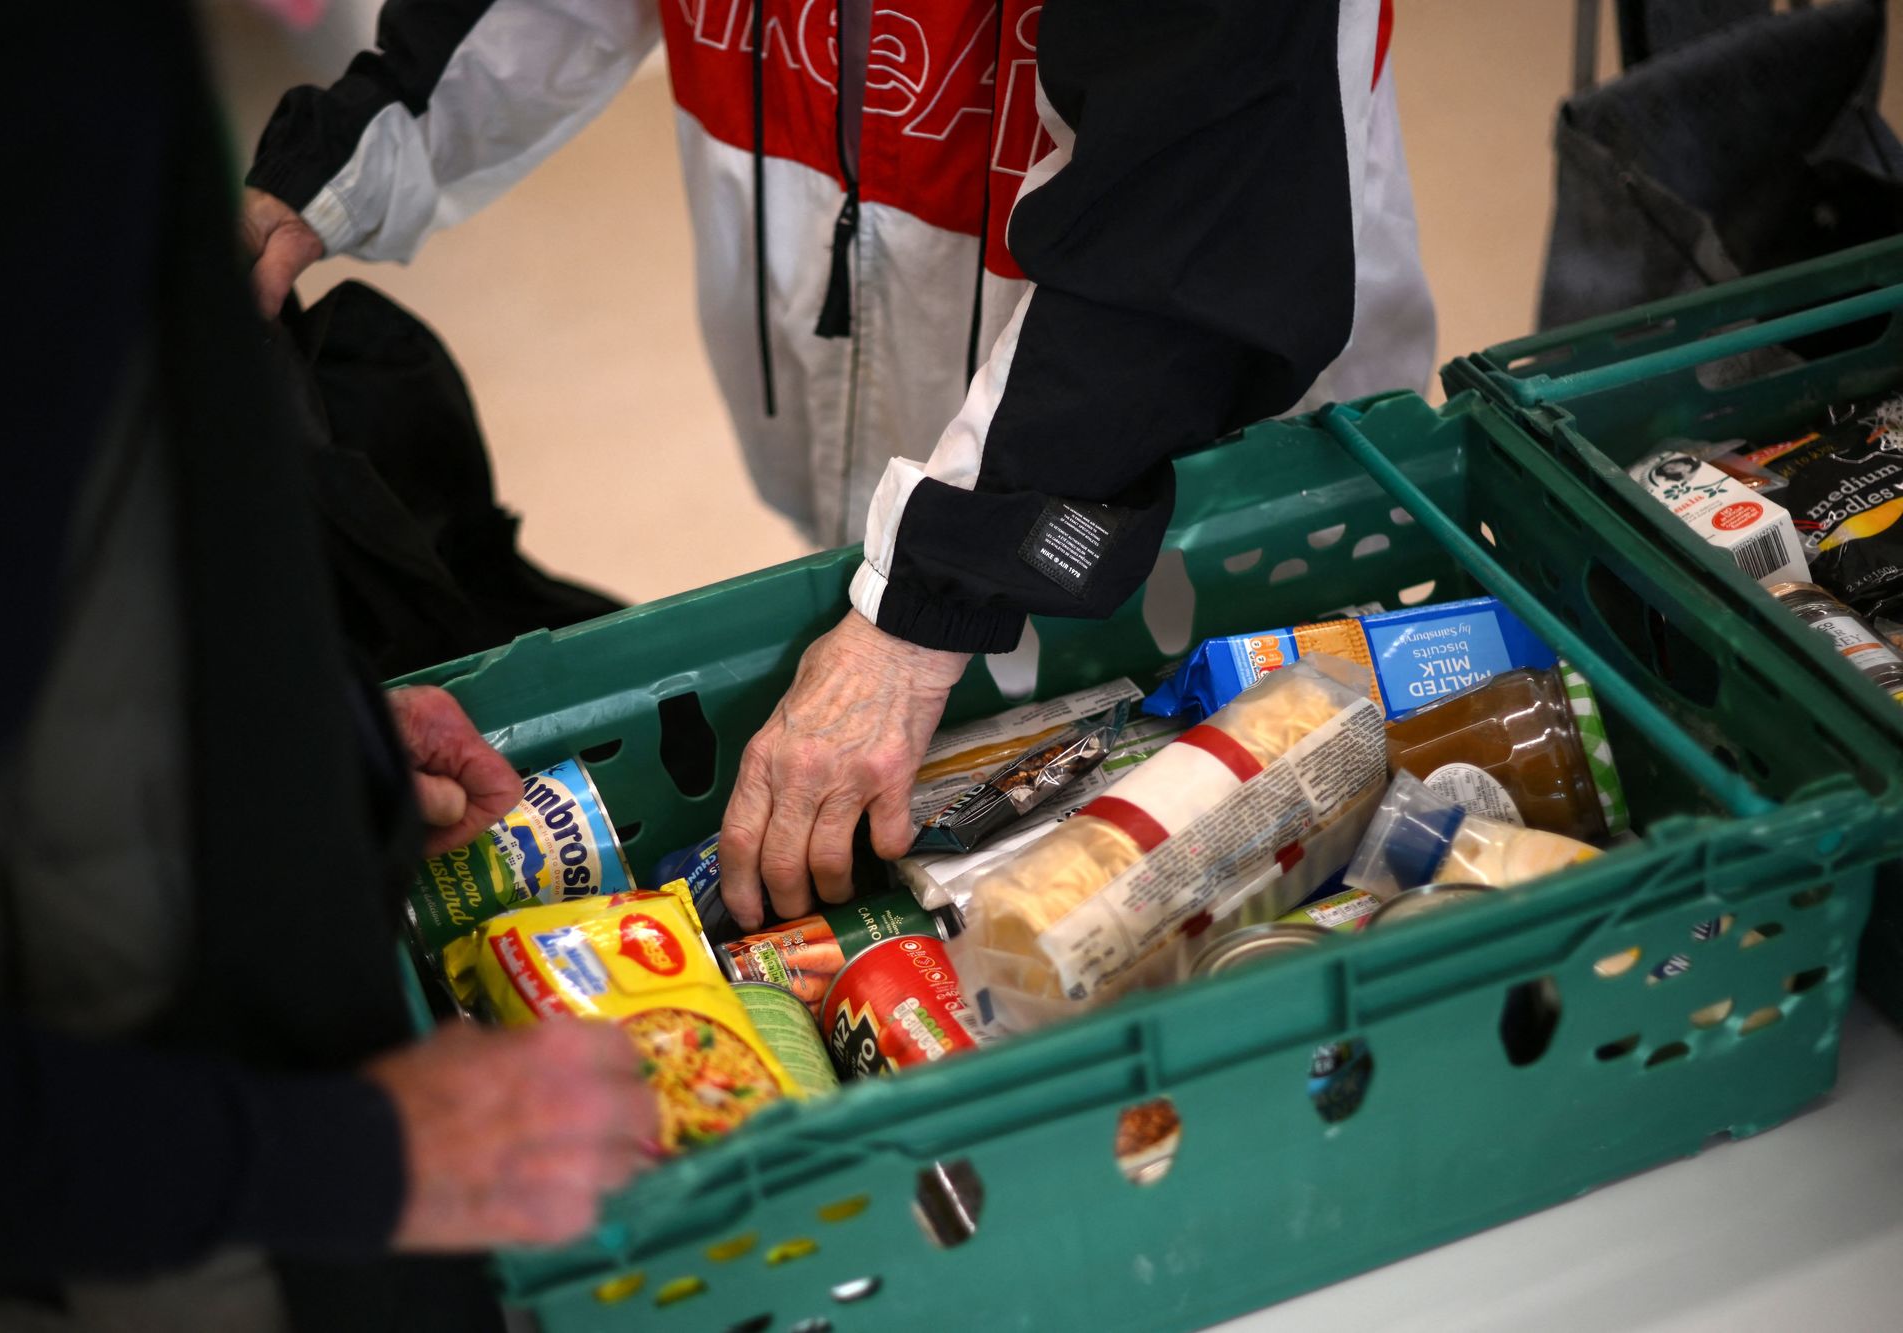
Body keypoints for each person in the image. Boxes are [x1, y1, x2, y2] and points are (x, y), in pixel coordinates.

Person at [243, 1, 1436, 930]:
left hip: (1194, 454)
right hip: (877, 375)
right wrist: (339, 161)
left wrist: (933, 600)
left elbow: (1195, 211)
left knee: (1294, 775)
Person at [0, 4, 656, 1327]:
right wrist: (358, 1163)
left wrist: (308, 744)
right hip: (162, 1256)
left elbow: (66, 607)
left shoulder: (71, 73)